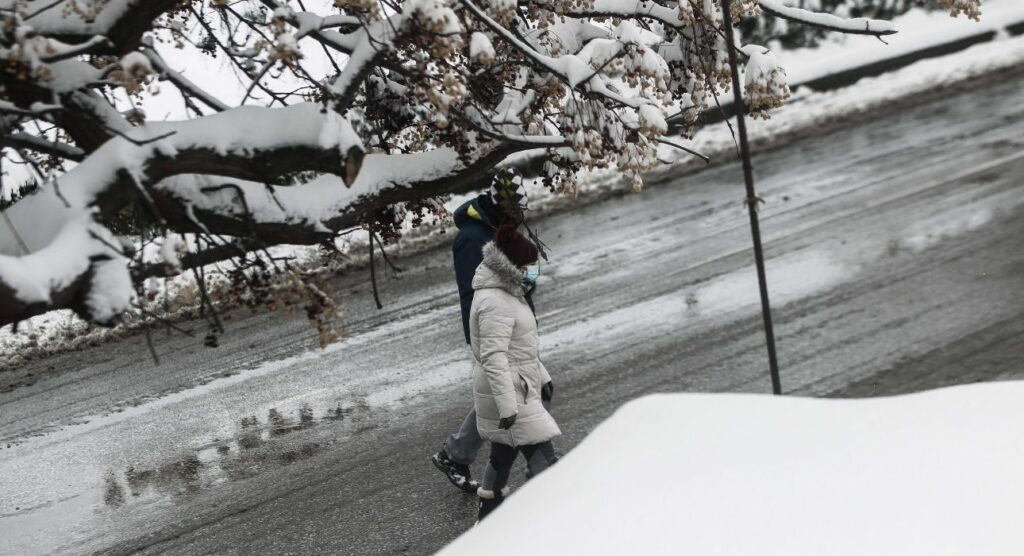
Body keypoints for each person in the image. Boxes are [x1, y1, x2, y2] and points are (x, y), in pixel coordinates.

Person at [431, 172, 555, 492]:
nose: (519, 219)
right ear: (502, 207)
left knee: (509, 392)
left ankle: (459, 455)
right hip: (497, 331)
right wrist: (492, 335)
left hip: (513, 325)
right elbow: (477, 294)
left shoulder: (496, 228)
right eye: (515, 214)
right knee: (514, 393)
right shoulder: (472, 238)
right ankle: (540, 468)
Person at [470, 225, 560, 521]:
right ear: (512, 266)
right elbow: (494, 356)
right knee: (546, 461)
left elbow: (519, 348)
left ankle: (487, 521)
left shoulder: (507, 293)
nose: (532, 270)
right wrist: (508, 406)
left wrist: (542, 375)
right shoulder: (494, 301)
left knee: (502, 455)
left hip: (515, 388)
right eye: (528, 265)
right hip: (510, 395)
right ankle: (559, 520)